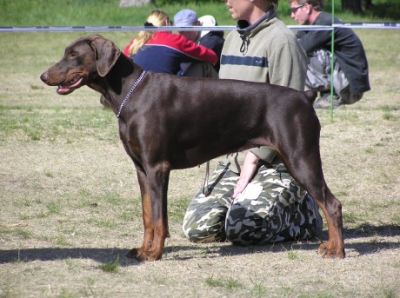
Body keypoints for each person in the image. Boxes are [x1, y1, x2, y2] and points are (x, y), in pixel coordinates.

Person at [182, 0, 323, 245]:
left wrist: (254, 160)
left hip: (277, 163)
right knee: (199, 229)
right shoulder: (232, 40)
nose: (226, 1)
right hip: (232, 161)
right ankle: (252, 209)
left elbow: (288, 116)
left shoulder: (282, 41)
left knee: (243, 228)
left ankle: (304, 213)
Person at [290, 0, 370, 108]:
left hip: (350, 87)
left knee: (302, 52)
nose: (292, 15)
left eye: (294, 10)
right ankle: (327, 93)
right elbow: (294, 42)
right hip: (343, 82)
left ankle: (331, 95)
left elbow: (298, 48)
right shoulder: (312, 25)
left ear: (307, 8)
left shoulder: (326, 23)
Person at [127, 10, 218, 75]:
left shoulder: (135, 43)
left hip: (134, 95)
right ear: (167, 22)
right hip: (167, 95)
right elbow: (212, 57)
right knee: (205, 66)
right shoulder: (174, 40)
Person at [173, 9, 220, 78]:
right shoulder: (196, 38)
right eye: (179, 30)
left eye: (185, 29)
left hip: (217, 82)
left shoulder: (210, 42)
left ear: (198, 24)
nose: (181, 34)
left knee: (201, 66)